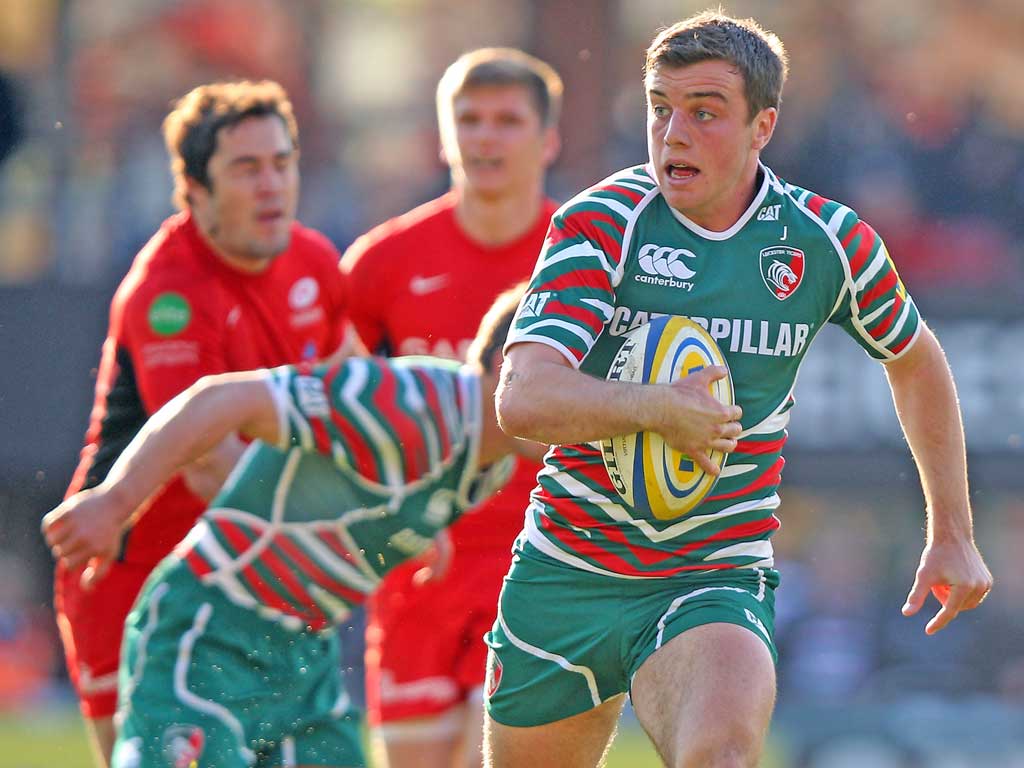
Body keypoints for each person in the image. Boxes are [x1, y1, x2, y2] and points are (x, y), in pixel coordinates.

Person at [487, 11, 993, 768]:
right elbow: (522, 399)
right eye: (661, 106)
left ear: (763, 127)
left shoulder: (824, 242)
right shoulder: (603, 221)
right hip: (568, 566)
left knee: (722, 756)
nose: (673, 132)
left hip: (710, 572)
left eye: (704, 111)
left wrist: (951, 528)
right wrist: (663, 409)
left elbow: (915, 358)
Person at [42, 284, 541, 768]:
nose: (574, 398)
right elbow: (222, 398)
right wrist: (115, 501)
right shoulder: (409, 403)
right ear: (506, 363)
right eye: (566, 372)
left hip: (302, 658)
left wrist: (415, 532)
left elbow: (379, 487)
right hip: (210, 630)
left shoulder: (490, 456)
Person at [54, 79, 353, 768]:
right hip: (135, 583)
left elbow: (351, 402)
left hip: (252, 569)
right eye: (246, 169)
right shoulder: (169, 291)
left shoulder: (313, 262)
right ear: (192, 189)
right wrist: (338, 544)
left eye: (282, 162)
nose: (271, 184)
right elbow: (207, 461)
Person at [339, 47, 561, 768]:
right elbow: (342, 411)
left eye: (507, 121)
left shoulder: (593, 258)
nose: (486, 137)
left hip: (546, 561)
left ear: (546, 139)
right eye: (469, 120)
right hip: (419, 562)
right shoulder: (382, 264)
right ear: (443, 137)